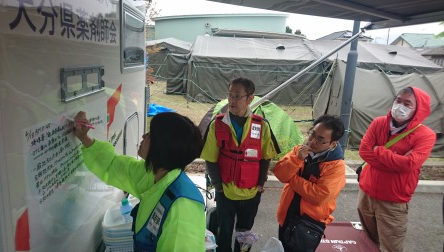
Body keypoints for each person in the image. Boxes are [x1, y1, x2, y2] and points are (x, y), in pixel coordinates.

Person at [73, 111, 206, 252]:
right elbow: (113, 165)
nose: (144, 136)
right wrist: (84, 137)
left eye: (150, 135)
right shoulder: (154, 176)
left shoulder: (182, 209)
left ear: (162, 147)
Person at [201, 77, 279, 252]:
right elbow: (210, 158)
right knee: (224, 232)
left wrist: (260, 185)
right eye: (230, 95)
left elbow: (266, 157)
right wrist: (218, 186)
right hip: (225, 191)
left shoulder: (261, 125)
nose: (231, 101)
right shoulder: (218, 123)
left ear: (250, 98)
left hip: (251, 192)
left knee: (244, 234)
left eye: (237, 96)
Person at [358, 87, 436, 251]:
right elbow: (364, 151)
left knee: (390, 246)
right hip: (366, 193)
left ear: (418, 109)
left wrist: (379, 151)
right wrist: (396, 160)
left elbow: (410, 165)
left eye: (407, 103)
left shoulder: (426, 135)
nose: (400, 106)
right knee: (369, 242)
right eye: (398, 100)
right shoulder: (379, 123)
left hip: (393, 200)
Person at [274, 114, 346, 252]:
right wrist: (297, 159)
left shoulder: (336, 165)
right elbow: (280, 174)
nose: (312, 141)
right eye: (312, 134)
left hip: (308, 224)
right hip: (286, 215)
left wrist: (292, 178)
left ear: (333, 144)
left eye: (320, 139)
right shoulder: (299, 150)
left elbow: (319, 196)